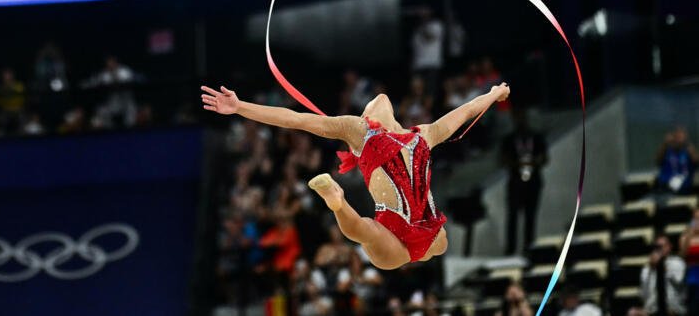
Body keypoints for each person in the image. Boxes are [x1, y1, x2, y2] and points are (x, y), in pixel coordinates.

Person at [200, 81, 511, 269]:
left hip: (430, 235)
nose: (376, 100)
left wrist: (494, 93)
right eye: (367, 106)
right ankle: (337, 202)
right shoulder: (360, 131)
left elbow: (468, 110)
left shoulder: (424, 133)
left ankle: (339, 204)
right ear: (366, 116)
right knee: (365, 229)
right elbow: (296, 120)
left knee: (440, 239)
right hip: (392, 237)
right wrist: (241, 108)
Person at [501, 110, 547, 254]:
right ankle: (511, 250)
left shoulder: (536, 137)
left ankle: (529, 248)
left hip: (533, 183)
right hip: (516, 183)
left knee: (530, 217)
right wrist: (517, 165)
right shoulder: (509, 139)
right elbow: (503, 159)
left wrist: (533, 162)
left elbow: (544, 157)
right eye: (517, 118)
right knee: (513, 217)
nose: (521, 121)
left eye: (523, 118)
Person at [641, 234, 687, 315]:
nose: (660, 249)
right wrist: (651, 269)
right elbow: (644, 294)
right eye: (658, 247)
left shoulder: (677, 263)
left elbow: (678, 283)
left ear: (669, 247)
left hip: (673, 309)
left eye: (663, 246)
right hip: (652, 310)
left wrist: (663, 267)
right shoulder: (647, 269)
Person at [656, 127, 698, 194]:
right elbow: (658, 162)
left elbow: (696, 161)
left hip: (683, 186)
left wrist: (689, 147)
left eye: (681, 137)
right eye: (676, 137)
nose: (678, 140)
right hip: (665, 185)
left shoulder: (688, 151)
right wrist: (664, 144)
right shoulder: (667, 151)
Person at [678, 209, 699, 316]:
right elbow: (682, 255)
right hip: (691, 276)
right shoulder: (685, 237)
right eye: (695, 219)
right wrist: (689, 236)